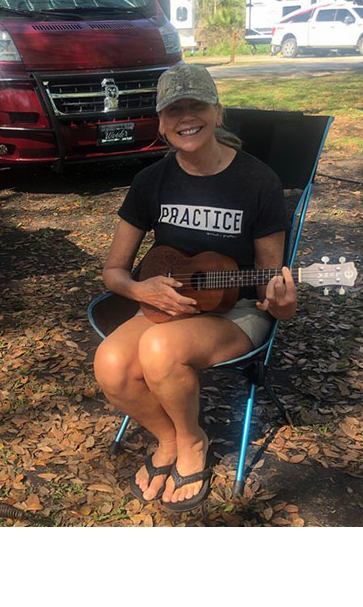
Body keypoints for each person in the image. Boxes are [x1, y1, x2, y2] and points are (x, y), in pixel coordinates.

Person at [92, 63, 298, 512]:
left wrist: (282, 305)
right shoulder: (152, 181)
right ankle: (170, 437)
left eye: (197, 106)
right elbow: (114, 272)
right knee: (110, 363)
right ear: (162, 124)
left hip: (237, 312)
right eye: (175, 109)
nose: (188, 117)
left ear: (217, 113)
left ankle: (192, 443)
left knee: (161, 349)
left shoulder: (257, 181)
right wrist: (142, 292)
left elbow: (269, 287)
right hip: (165, 305)